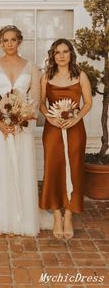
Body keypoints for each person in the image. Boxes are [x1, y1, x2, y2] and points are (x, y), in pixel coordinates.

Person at [0, 25, 40, 236]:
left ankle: (21, 220)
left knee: (20, 171)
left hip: (20, 130)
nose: (10, 43)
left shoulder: (31, 66)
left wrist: (20, 120)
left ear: (19, 41)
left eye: (13, 39)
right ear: (0, 43)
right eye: (5, 40)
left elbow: (36, 100)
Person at [39, 38, 92, 239]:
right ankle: (57, 215)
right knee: (53, 169)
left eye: (65, 51)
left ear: (71, 54)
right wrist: (50, 118)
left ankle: (69, 215)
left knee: (75, 169)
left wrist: (76, 118)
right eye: (57, 52)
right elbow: (42, 104)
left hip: (75, 129)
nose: (61, 55)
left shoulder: (81, 75)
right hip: (52, 130)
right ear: (53, 55)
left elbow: (87, 103)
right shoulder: (46, 76)